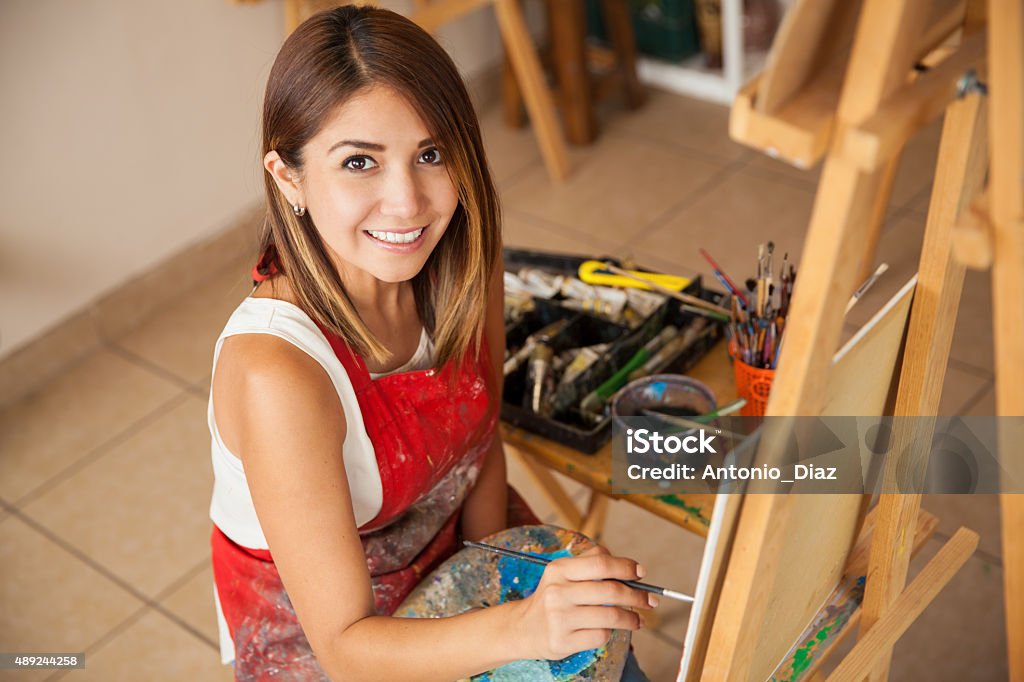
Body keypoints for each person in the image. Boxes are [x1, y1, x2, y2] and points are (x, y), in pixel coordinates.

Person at [207, 6, 654, 680]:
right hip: (334, 639)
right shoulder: (279, 374)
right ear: (288, 176)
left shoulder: (460, 257)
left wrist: (493, 572)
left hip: (449, 556)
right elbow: (348, 648)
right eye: (360, 162)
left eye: (431, 154)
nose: (408, 203)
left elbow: (478, 444)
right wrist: (518, 626)